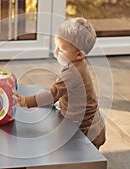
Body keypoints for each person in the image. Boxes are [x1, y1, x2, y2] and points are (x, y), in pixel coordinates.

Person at [13, 17, 106, 149]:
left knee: (81, 157)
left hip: (84, 127)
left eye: (61, 49)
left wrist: (25, 101)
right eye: (56, 46)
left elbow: (52, 95)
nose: (55, 51)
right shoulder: (76, 63)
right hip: (89, 119)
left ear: (79, 55)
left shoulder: (72, 72)